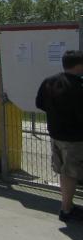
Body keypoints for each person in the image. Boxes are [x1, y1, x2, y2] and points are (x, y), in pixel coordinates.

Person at [35, 50, 83, 222]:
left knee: (65, 172)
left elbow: (39, 103)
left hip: (56, 134)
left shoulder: (49, 81)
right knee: (71, 173)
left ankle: (67, 204)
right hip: (74, 138)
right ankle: (66, 209)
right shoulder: (78, 86)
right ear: (78, 65)